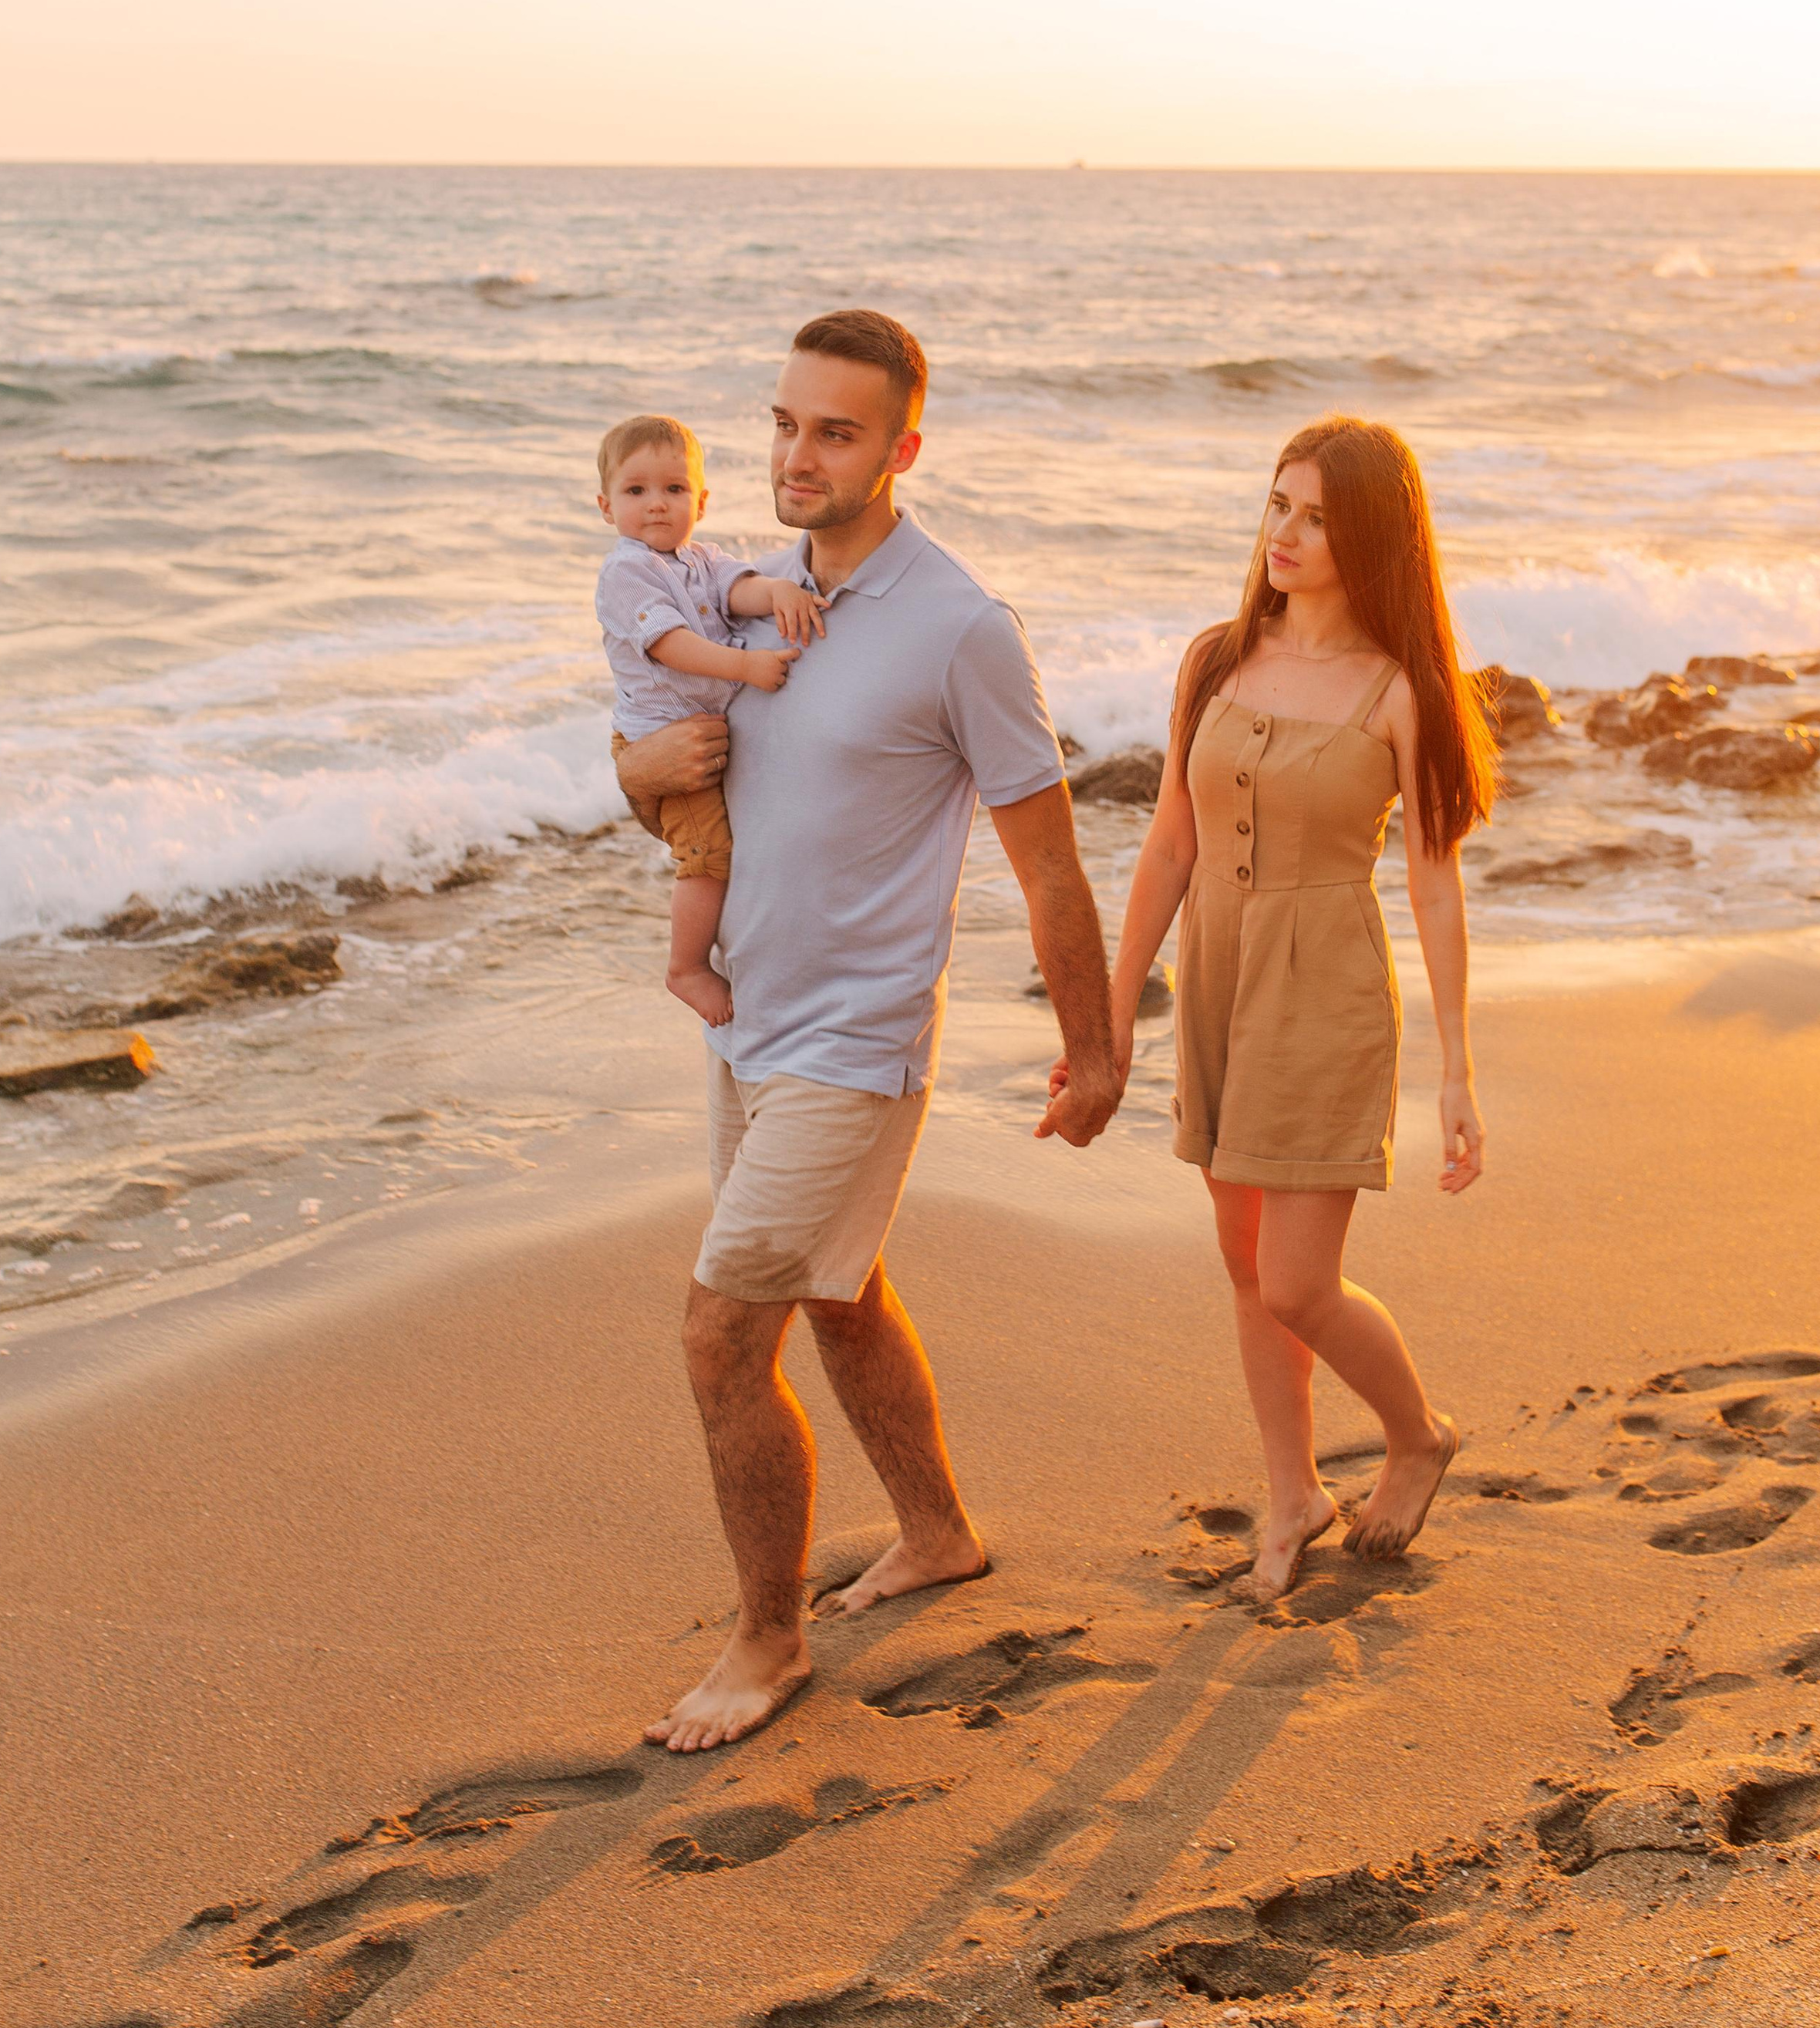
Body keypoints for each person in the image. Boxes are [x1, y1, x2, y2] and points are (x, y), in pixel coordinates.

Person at [613, 309, 1121, 1751]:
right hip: (748, 1028)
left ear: (902, 449)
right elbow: (683, 787)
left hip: (856, 1040)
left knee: (724, 1334)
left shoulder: (961, 629)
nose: (796, 453)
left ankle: (766, 1642)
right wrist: (633, 772)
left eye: (834, 431)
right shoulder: (741, 596)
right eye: (782, 423)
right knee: (840, 1292)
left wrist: (1096, 1052)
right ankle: (939, 1532)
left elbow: (1050, 863)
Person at [1096, 415, 1495, 1605]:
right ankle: (1292, 1492)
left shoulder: (1400, 688)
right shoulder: (1215, 659)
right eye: (1278, 504)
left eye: (1318, 516)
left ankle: (1415, 1433)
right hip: (1217, 978)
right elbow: (1169, 847)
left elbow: (1433, 877)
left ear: (1370, 534)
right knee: (1239, 1258)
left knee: (1296, 1282)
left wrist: (1460, 1069)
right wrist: (1109, 1023)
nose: (1287, 533)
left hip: (1324, 992)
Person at [594, 413, 826, 1026]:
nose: (657, 506)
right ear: (605, 506)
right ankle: (686, 967)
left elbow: (737, 590)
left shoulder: (701, 559)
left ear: (701, 499)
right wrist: (744, 668)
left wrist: (776, 593)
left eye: (674, 490)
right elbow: (670, 644)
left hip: (699, 734)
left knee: (732, 848)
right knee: (707, 856)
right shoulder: (626, 571)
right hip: (661, 740)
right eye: (635, 491)